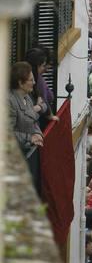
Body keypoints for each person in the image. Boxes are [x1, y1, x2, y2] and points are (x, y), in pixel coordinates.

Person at [9, 61, 44, 193]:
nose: (34, 83)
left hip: (30, 157)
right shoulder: (9, 101)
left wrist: (38, 134)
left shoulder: (27, 97)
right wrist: (30, 138)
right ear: (20, 82)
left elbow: (33, 120)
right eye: (30, 80)